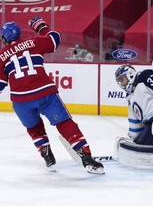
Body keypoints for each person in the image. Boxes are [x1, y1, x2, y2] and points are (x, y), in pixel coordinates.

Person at [0, 17, 104, 174]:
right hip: (45, 93)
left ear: (4, 38)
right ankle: (86, 157)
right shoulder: (34, 42)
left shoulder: (1, 56)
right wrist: (41, 27)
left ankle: (47, 155)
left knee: (34, 127)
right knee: (63, 123)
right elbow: (55, 38)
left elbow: (1, 85)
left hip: (21, 101)